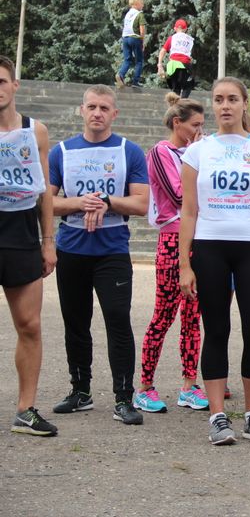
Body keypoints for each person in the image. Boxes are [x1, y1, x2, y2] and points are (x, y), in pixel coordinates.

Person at [179, 76, 250, 445]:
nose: (225, 106)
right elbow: (188, 211)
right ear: (213, 105)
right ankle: (218, 416)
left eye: (232, 99)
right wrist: (184, 264)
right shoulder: (198, 152)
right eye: (219, 99)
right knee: (217, 330)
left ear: (244, 103)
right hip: (210, 247)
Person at [49, 84, 150, 426]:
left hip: (112, 252)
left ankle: (124, 397)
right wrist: (80, 202)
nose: (97, 113)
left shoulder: (129, 151)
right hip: (72, 249)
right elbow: (46, 202)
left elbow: (141, 204)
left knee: (118, 321)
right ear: (82, 110)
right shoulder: (61, 151)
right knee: (76, 323)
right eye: (91, 106)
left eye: (104, 108)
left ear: (114, 114)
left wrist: (106, 202)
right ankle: (81, 391)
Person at [134, 94, 207, 414]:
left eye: (202, 127)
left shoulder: (192, 153)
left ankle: (189, 385)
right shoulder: (162, 153)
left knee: (193, 317)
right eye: (195, 126)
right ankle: (144, 386)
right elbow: (180, 195)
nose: (199, 132)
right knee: (163, 315)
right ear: (177, 123)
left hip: (199, 239)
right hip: (172, 240)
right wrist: (195, 155)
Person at [0, 55, 58, 436]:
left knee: (30, 325)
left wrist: (48, 240)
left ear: (14, 85)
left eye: (2, 81)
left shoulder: (34, 130)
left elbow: (45, 192)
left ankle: (26, 409)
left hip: (21, 235)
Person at [156, 19, 196, 99]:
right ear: (186, 29)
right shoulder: (190, 40)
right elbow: (190, 54)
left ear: (175, 28)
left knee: (175, 89)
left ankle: (175, 106)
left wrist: (159, 64)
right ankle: (183, 101)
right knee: (188, 86)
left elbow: (162, 51)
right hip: (185, 64)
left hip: (173, 65)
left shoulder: (172, 38)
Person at [115, 0, 146, 89]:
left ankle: (121, 74)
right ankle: (135, 81)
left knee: (127, 59)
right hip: (135, 38)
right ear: (136, 4)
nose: (143, 5)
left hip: (125, 38)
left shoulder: (127, 14)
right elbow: (142, 30)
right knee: (139, 61)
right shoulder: (139, 14)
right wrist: (143, 41)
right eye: (142, 3)